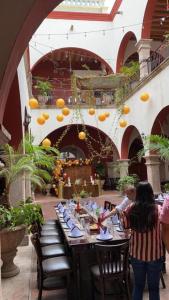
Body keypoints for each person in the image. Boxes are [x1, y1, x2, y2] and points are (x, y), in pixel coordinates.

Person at [122, 181, 164, 300]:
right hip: (155, 254)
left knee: (138, 286)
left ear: (138, 193)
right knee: (154, 288)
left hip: (137, 253)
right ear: (151, 193)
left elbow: (125, 226)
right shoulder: (158, 209)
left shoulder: (130, 209)